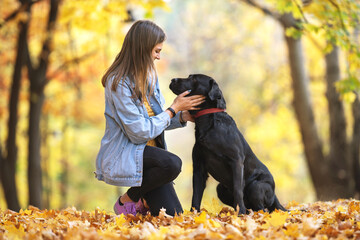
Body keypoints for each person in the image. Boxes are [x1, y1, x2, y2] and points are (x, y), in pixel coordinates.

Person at [95, 20, 205, 216]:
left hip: (151, 160)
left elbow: (155, 121)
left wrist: (181, 116)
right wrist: (173, 109)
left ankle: (141, 198)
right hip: (128, 155)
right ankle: (127, 200)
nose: (158, 57)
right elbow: (139, 132)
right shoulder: (118, 82)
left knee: (174, 218)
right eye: (156, 51)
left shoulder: (149, 77)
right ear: (143, 48)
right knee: (172, 163)